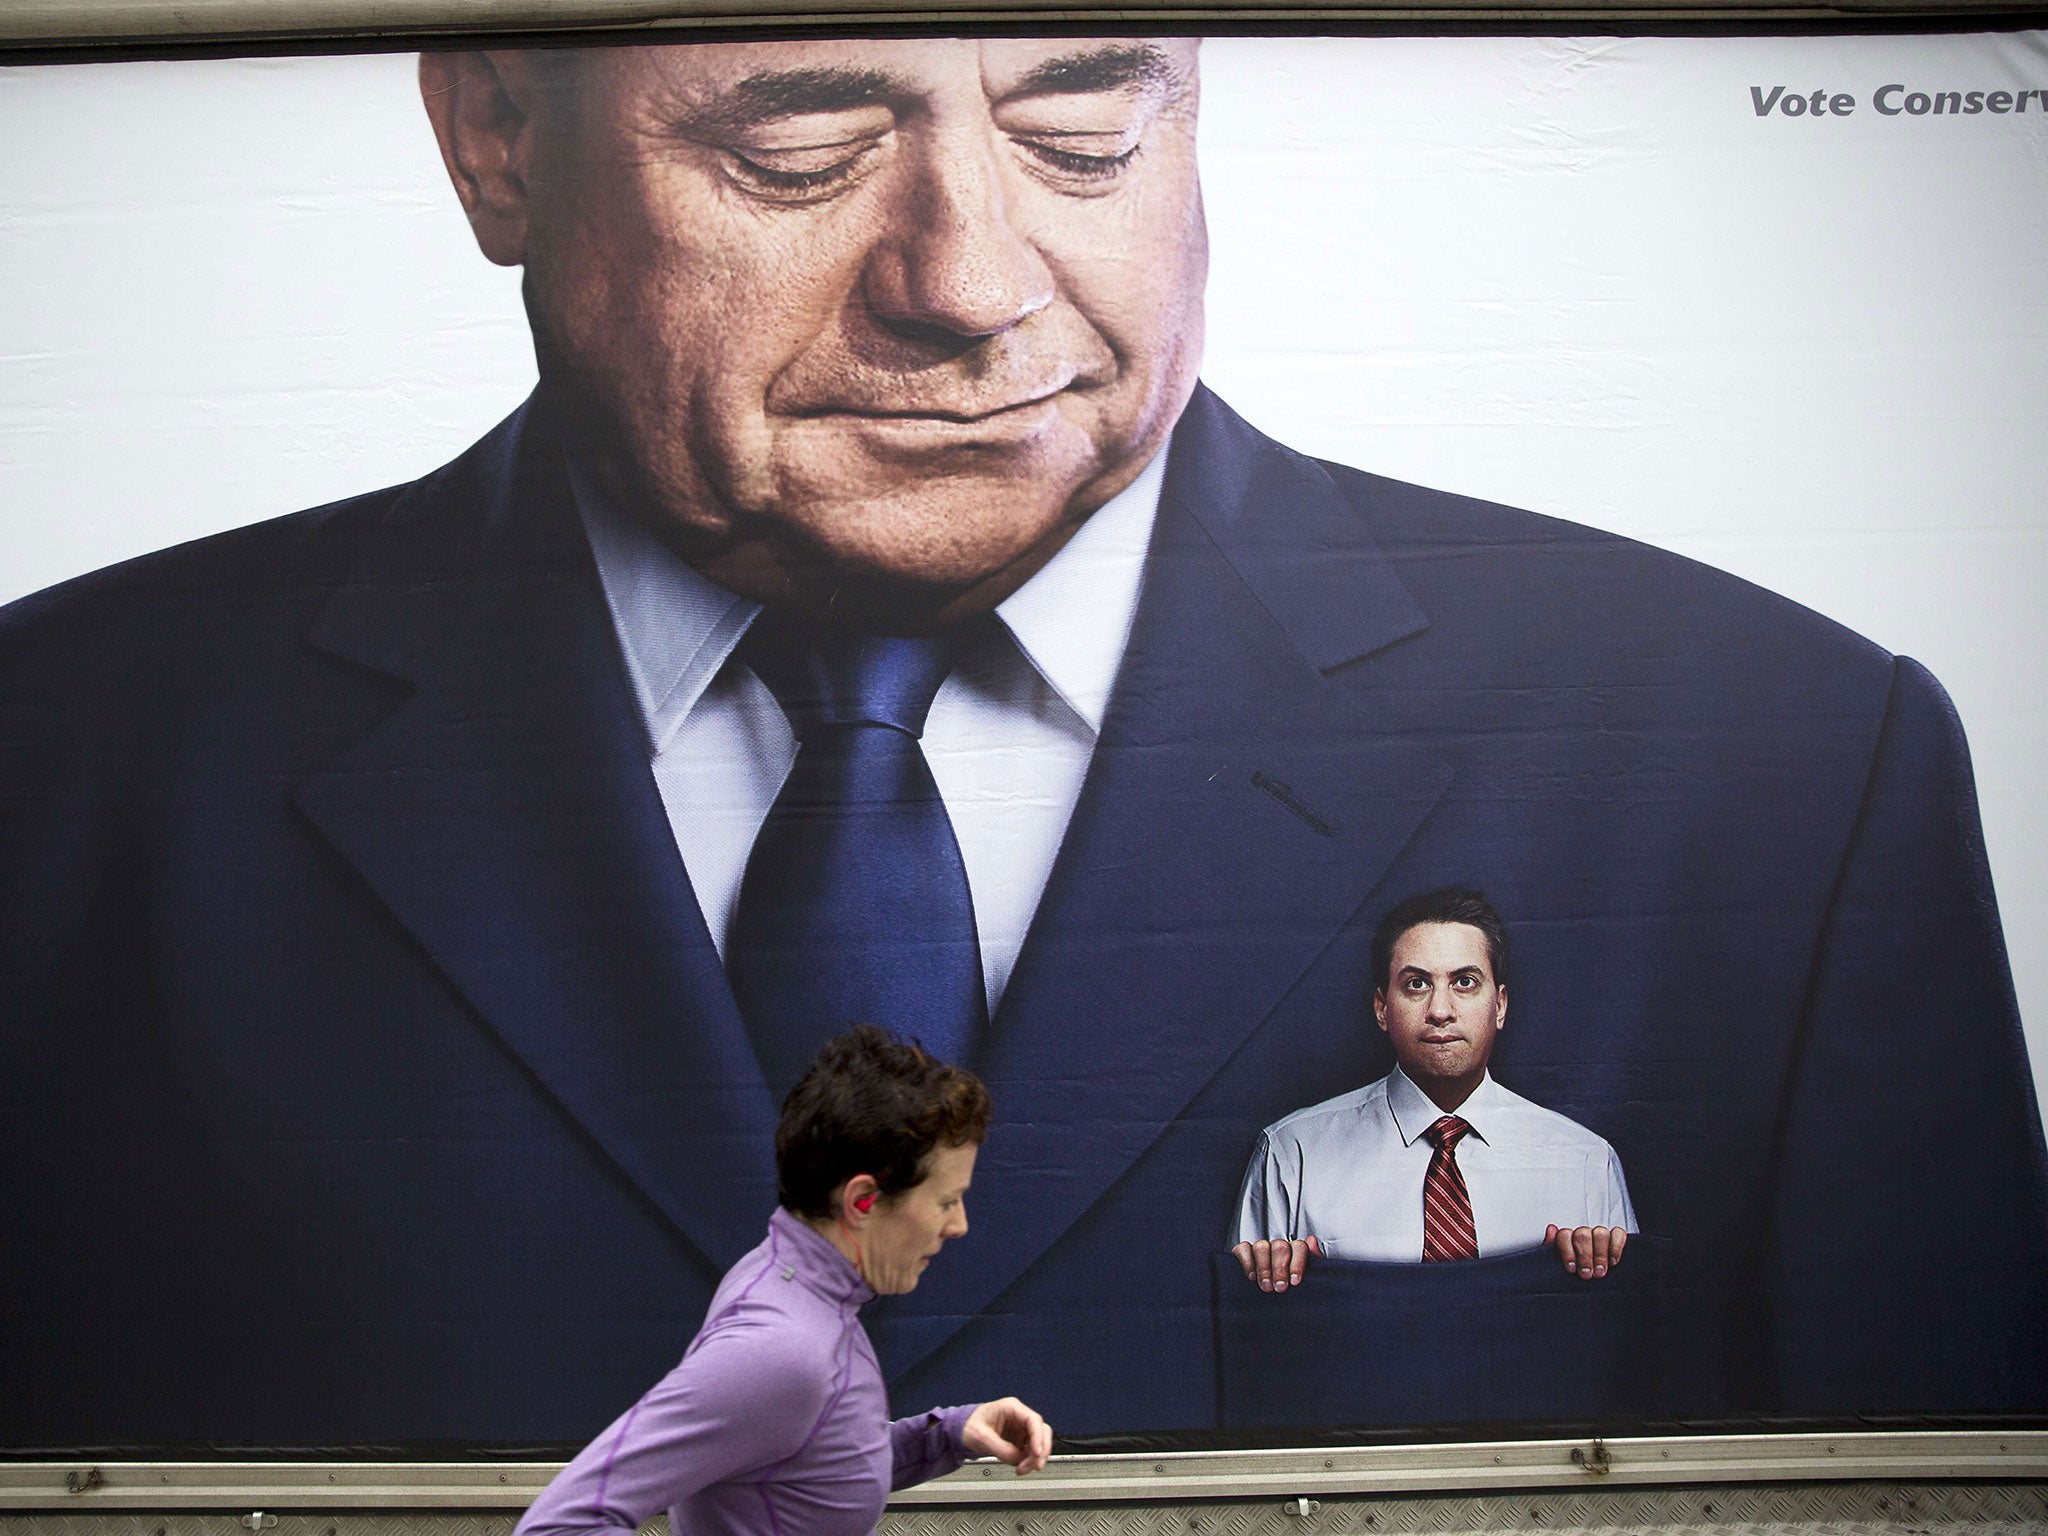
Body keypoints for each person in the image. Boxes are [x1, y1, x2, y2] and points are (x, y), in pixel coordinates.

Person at [3, 36, 2046, 1444]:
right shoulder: (57, 777)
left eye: (1084, 124)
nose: (970, 286)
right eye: (798, 149)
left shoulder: (1777, 774)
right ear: (491, 139)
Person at [513, 1026, 1049, 1536]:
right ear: (862, 1201)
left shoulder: (794, 1284)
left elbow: (810, 1470)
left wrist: (951, 1434)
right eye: (947, 1201)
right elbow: (560, 1524)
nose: (959, 1226)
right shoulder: (780, 1350)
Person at [1232, 888, 1635, 1294]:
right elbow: (1250, 1333)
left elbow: (1627, 1332)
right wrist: (1276, 1279)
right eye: (1417, 984)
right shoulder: (1291, 1154)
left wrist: (1594, 1274)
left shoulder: (1584, 1164)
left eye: (1464, 982)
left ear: (1499, 1005)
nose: (1440, 1010)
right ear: (1381, 1008)